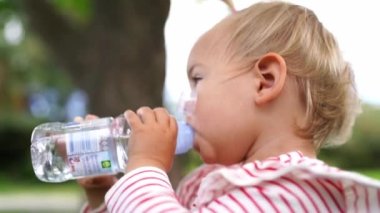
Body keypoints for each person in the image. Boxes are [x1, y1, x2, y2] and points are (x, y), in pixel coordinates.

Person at [80, 1, 380, 212]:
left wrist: (145, 166)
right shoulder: (225, 181)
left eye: (198, 79)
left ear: (265, 81)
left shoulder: (291, 191)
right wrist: (104, 196)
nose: (185, 104)